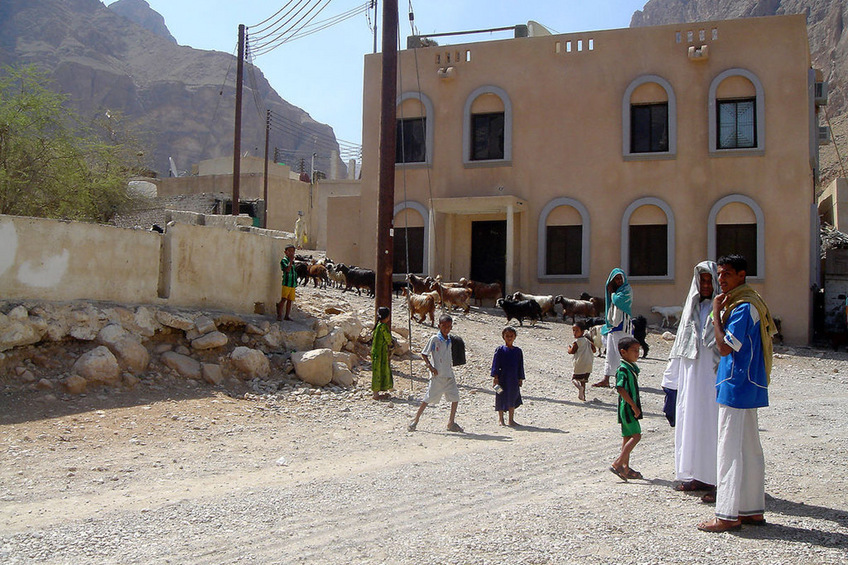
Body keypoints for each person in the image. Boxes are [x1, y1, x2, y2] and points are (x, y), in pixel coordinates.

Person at [698, 255, 777, 533]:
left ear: (742, 275)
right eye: (720, 274)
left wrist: (717, 315)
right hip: (749, 385)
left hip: (736, 384)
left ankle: (728, 514)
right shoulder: (751, 300)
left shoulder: (742, 306)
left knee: (730, 449)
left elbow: (725, 347)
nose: (722, 280)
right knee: (749, 448)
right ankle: (752, 509)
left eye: (727, 274)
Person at [662, 261, 720, 494]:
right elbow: (679, 345)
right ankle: (694, 474)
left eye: (709, 280)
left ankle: (714, 478)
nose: (706, 285)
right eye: (702, 280)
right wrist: (671, 379)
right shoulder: (689, 309)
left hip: (713, 378)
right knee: (690, 423)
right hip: (691, 376)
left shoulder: (723, 307)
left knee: (711, 424)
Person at [408, 314, 463, 432]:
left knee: (455, 398)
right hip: (437, 375)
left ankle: (451, 422)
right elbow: (424, 353)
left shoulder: (450, 340)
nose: (446, 329)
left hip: (448, 374)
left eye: (449, 327)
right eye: (444, 326)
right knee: (427, 398)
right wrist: (430, 366)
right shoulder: (434, 339)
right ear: (439, 326)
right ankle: (415, 420)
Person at [610, 336, 643, 481]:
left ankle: (625, 468)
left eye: (638, 350)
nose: (637, 353)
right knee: (637, 436)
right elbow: (620, 388)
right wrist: (633, 406)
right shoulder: (623, 369)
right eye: (634, 350)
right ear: (623, 352)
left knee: (627, 438)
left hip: (627, 407)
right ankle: (618, 463)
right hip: (627, 408)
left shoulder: (631, 368)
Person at [593, 268, 632, 388]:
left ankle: (625, 379)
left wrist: (613, 293)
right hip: (613, 326)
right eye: (616, 279)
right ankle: (606, 379)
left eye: (620, 278)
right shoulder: (616, 291)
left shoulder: (626, 290)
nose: (619, 281)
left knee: (621, 353)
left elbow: (619, 301)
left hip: (622, 326)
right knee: (610, 353)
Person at [490, 326, 525, 426]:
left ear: (514, 337)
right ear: (503, 337)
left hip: (513, 379)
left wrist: (520, 378)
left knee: (512, 397)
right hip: (501, 379)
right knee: (500, 395)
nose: (509, 338)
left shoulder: (518, 351)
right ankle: (501, 419)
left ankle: (511, 420)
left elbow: (520, 365)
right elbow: (495, 364)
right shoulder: (500, 350)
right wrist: (495, 378)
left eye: (511, 336)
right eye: (507, 336)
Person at [568, 321, 596, 401]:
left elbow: (571, 351)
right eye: (573, 330)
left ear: (582, 331)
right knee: (583, 380)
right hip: (589, 364)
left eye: (577, 331)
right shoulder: (588, 341)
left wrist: (568, 348)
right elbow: (594, 350)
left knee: (574, 379)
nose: (574, 333)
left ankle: (580, 388)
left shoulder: (577, 342)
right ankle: (582, 396)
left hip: (580, 363)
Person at [371, 307, 394, 400]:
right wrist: (392, 344)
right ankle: (376, 394)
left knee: (377, 370)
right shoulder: (383, 327)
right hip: (381, 353)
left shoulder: (377, 326)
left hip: (376, 352)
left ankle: (376, 391)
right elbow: (388, 339)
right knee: (381, 370)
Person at [276, 244, 297, 321]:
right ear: (285, 252)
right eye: (290, 251)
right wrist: (291, 261)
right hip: (287, 283)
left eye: (293, 251)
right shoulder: (284, 260)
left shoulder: (293, 262)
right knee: (284, 299)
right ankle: (279, 314)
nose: (291, 253)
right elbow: (287, 269)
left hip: (292, 284)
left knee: (290, 300)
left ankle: (287, 315)